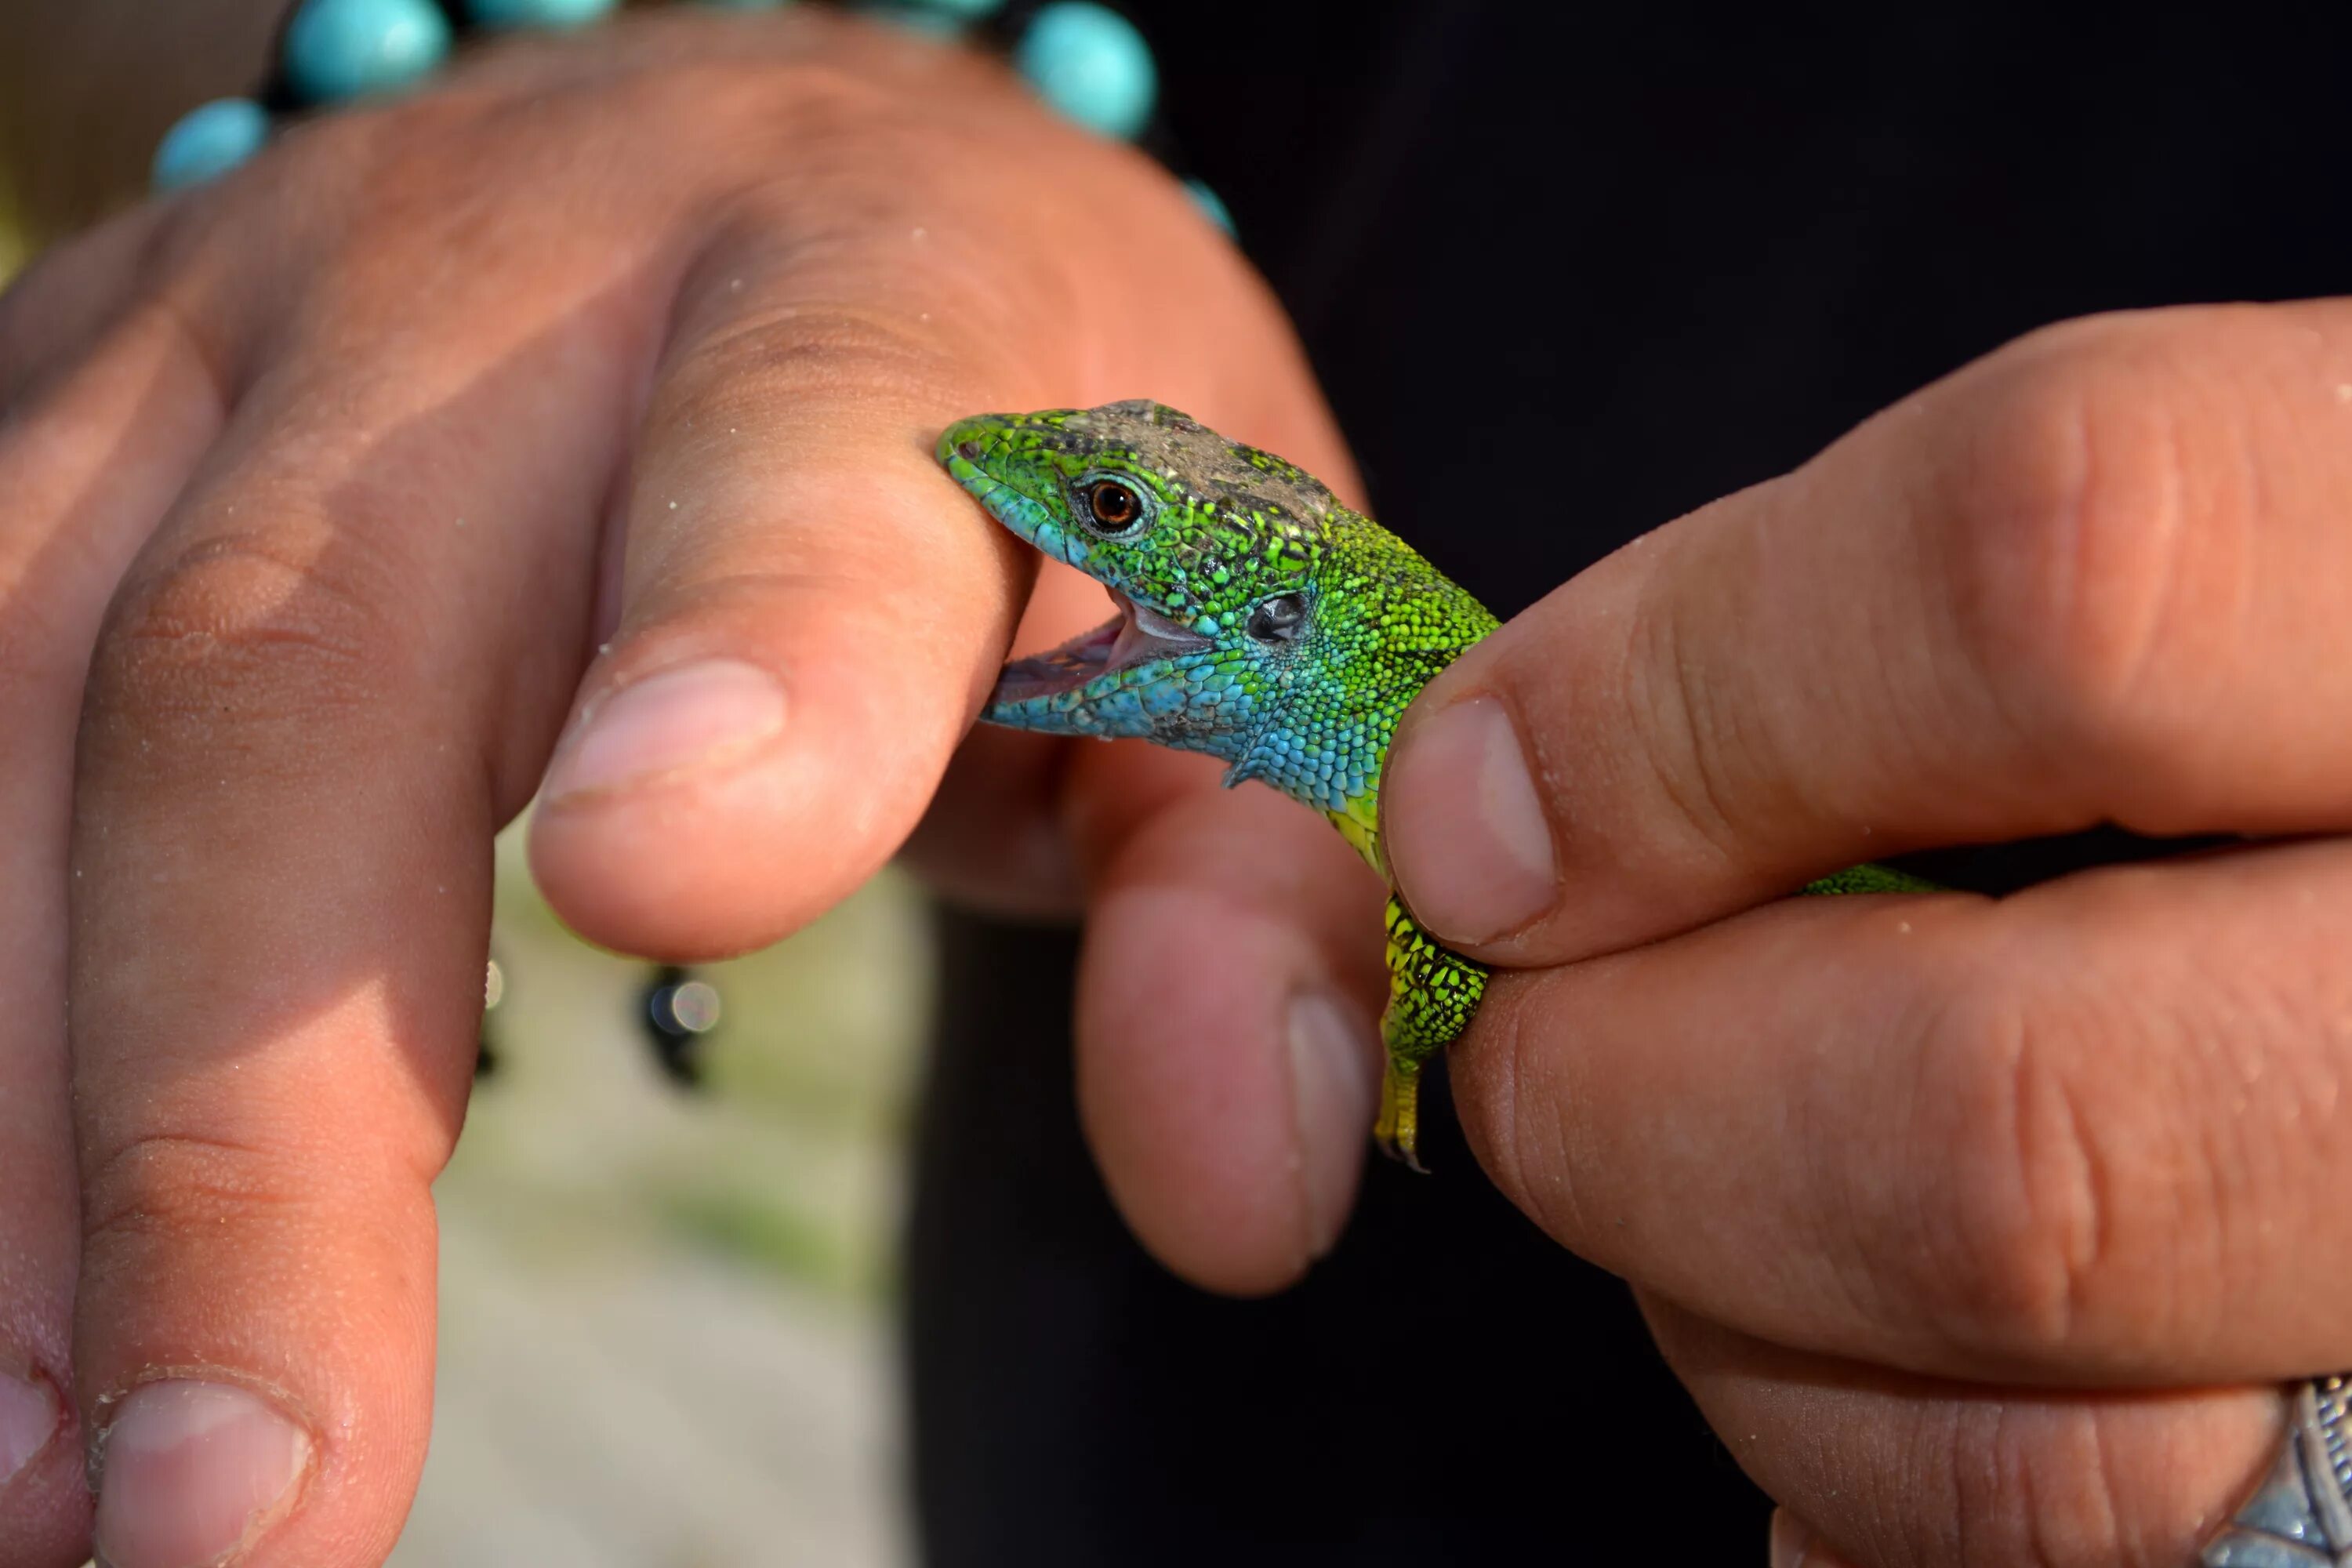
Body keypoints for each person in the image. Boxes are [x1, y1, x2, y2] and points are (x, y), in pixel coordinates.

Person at [2, 3, 2347, 1565]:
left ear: (1284, 628)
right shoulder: (1393, 756)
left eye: (1107, 531)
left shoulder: (1441, 813)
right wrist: (564, 61)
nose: (1025, 502)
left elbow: (1455, 948)